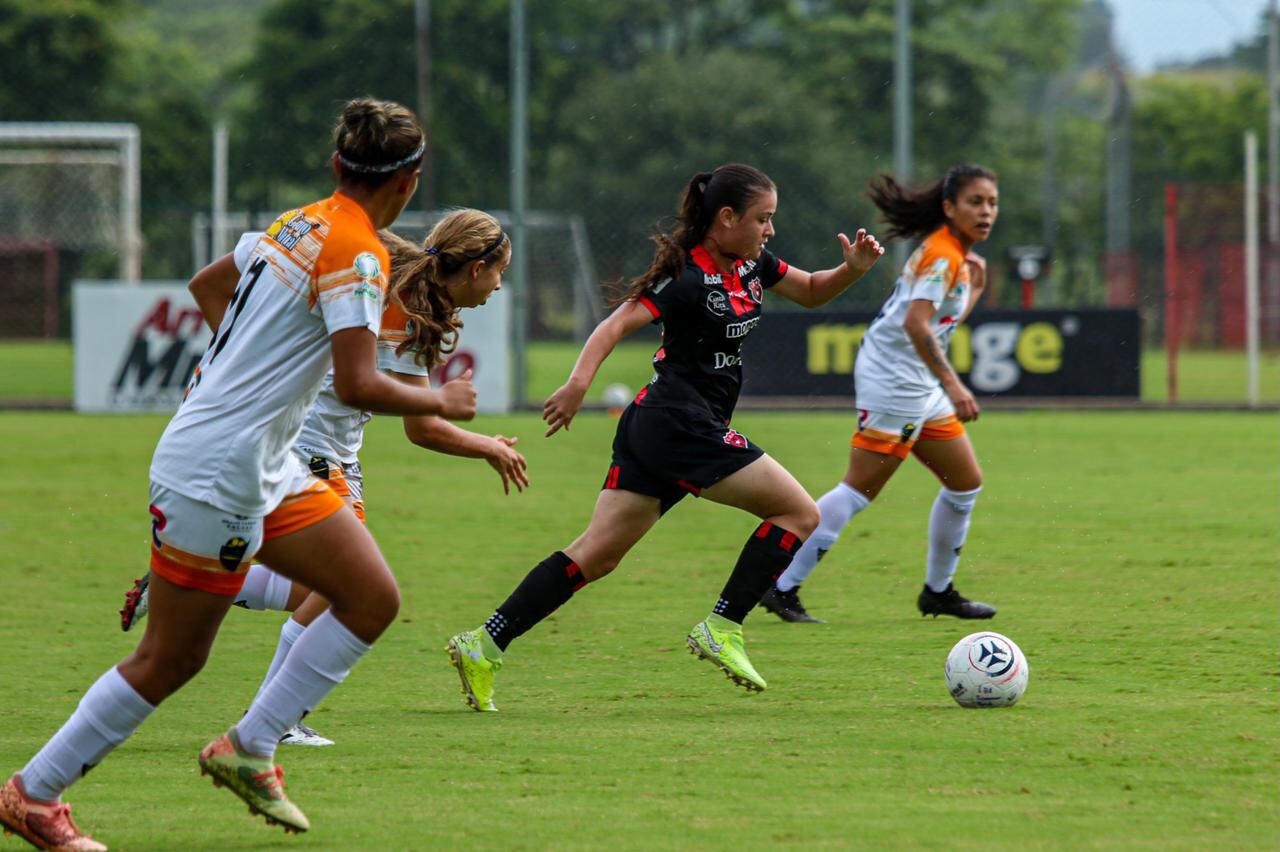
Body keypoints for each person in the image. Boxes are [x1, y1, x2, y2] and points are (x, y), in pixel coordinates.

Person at [0, 98, 477, 849]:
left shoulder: (297, 223)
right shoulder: (359, 253)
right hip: (218, 471)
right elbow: (356, 386)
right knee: (173, 658)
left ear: (337, 166)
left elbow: (208, 284)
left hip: (259, 460)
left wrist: (243, 372)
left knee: (369, 596)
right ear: (410, 183)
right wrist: (438, 397)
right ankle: (33, 794)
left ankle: (251, 747)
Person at [444, 163, 883, 710]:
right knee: (799, 513)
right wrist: (578, 384)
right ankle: (723, 627)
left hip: (663, 427)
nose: (770, 231)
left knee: (596, 556)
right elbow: (615, 325)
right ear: (725, 218)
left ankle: (484, 644)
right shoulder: (686, 277)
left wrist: (854, 270)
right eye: (762, 219)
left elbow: (814, 291)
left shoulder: (751, 264)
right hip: (679, 422)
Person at [117, 212, 526, 749]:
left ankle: (198, 586)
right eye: (500, 273)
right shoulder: (399, 299)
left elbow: (206, 284)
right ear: (476, 269)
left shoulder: (394, 279)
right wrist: (488, 446)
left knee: (320, 587)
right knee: (346, 591)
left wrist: (247, 361)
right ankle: (274, 720)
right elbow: (423, 428)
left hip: (327, 449)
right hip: (308, 446)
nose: (500, 286)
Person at [759, 164, 999, 625]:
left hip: (916, 381)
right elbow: (914, 325)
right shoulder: (944, 256)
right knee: (859, 489)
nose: (986, 211)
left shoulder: (955, 255)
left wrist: (974, 296)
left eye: (991, 202)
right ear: (949, 208)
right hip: (895, 380)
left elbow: (936, 325)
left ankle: (938, 592)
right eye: (975, 202)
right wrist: (954, 383)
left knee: (965, 483)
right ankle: (781, 585)